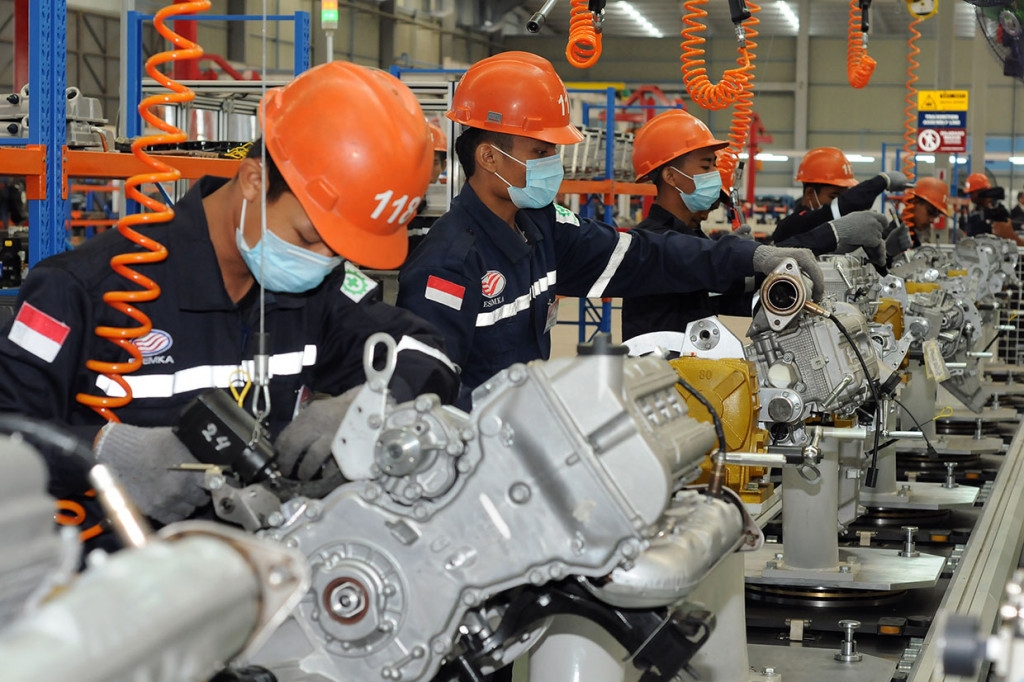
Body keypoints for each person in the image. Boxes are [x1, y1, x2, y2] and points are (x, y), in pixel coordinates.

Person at [0, 62, 459, 526]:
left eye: (338, 249)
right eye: (307, 237)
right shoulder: (83, 286)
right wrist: (105, 453)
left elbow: (430, 353)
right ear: (254, 180)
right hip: (115, 577)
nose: (321, 259)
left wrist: (369, 404)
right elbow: (7, 428)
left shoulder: (320, 288)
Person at [397, 51, 824, 408]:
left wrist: (746, 255)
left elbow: (642, 255)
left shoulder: (542, 228)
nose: (554, 165)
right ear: (489, 158)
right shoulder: (448, 265)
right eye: (541, 151)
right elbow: (427, 401)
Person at [620, 111, 889, 341]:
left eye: (715, 165)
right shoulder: (651, 241)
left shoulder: (689, 234)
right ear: (670, 176)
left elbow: (721, 297)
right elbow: (713, 270)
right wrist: (831, 234)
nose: (714, 176)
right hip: (664, 380)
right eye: (706, 166)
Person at [771, 147, 908, 244]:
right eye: (834, 196)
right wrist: (880, 182)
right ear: (810, 194)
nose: (840, 202)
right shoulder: (793, 225)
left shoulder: (836, 232)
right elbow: (839, 208)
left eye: (844, 195)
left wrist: (888, 248)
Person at [407, 121, 448, 256]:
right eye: (423, 161)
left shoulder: (449, 207)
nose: (427, 168)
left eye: (434, 162)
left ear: (443, 166)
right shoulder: (399, 204)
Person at [963, 172, 1013, 238]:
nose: (970, 196)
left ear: (981, 192)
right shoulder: (974, 212)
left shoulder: (999, 211)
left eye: (972, 193)